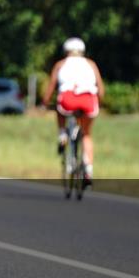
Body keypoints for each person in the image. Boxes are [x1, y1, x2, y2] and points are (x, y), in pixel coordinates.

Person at [43, 37, 104, 185]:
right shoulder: (91, 64)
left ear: (66, 51)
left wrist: (45, 102)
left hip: (68, 100)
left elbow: (52, 86)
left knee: (59, 108)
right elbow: (101, 90)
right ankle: (88, 169)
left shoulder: (61, 64)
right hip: (89, 100)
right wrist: (99, 103)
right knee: (87, 134)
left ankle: (63, 133)